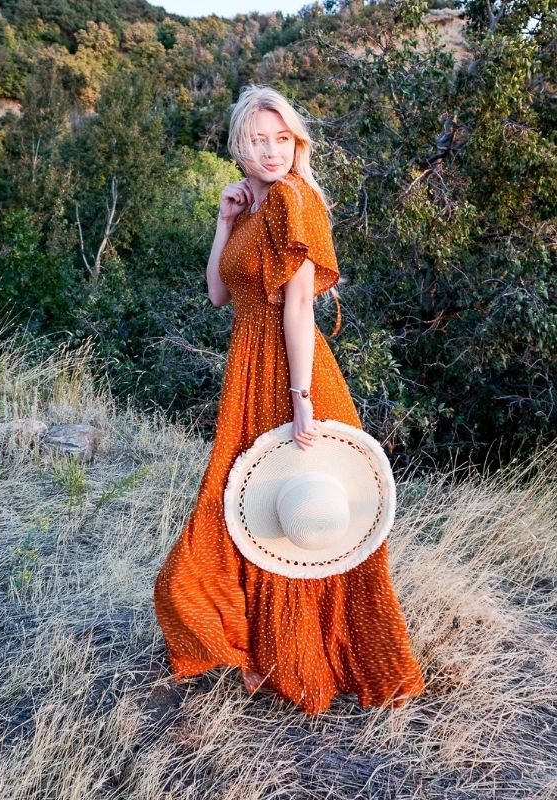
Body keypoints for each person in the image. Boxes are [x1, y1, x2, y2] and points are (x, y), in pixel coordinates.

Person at [153, 84, 425, 715]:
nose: (272, 150)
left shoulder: (294, 201)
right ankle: (263, 652)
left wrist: (302, 398)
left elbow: (299, 306)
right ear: (240, 147)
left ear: (296, 142)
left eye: (283, 138)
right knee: (247, 514)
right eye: (259, 139)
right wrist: (224, 222)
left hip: (290, 373)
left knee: (299, 516)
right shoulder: (254, 204)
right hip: (248, 372)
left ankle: (312, 658)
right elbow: (221, 295)